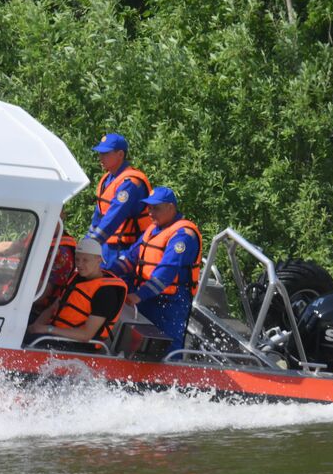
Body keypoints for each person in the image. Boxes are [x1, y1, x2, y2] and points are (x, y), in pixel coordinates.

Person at [107, 186, 202, 356]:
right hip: (146, 297)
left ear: (171, 208)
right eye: (149, 208)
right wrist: (106, 274)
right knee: (137, 345)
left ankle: (170, 379)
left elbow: (166, 273)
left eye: (156, 208)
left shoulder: (183, 235)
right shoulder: (152, 230)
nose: (150, 212)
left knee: (167, 349)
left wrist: (138, 295)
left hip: (169, 303)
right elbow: (131, 258)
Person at [27, 237, 128, 350]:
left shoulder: (106, 292)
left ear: (98, 260)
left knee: (27, 340)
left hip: (77, 344)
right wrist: (35, 327)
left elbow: (86, 335)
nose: (80, 264)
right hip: (55, 332)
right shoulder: (76, 277)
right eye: (77, 259)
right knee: (20, 327)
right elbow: (53, 308)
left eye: (85, 260)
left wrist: (47, 329)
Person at [86, 132, 152, 265]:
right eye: (100, 153)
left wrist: (90, 245)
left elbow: (113, 217)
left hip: (126, 249)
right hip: (106, 246)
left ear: (120, 154)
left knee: (115, 284)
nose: (100, 157)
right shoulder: (107, 179)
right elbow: (98, 216)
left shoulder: (130, 183)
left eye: (105, 154)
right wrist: (86, 241)